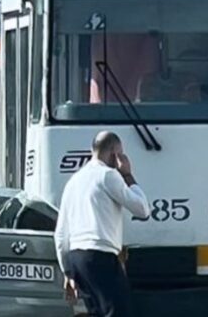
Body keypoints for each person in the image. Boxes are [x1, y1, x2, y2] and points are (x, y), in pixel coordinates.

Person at [54, 131, 150, 316]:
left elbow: (60, 233)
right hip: (100, 256)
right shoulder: (108, 175)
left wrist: (67, 272)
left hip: (77, 258)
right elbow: (142, 209)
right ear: (114, 153)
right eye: (121, 154)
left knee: (97, 313)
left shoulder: (74, 181)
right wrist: (128, 175)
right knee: (119, 312)